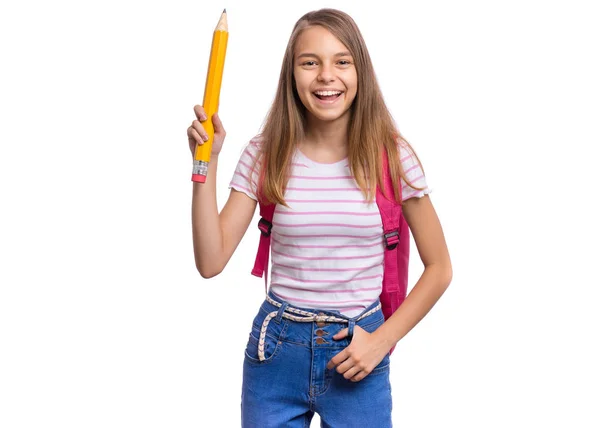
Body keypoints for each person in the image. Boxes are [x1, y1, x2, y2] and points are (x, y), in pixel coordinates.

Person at [187, 8, 452, 427]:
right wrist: (207, 163)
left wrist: (381, 342)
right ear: (291, 74)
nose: (326, 75)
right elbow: (210, 261)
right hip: (275, 351)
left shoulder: (393, 157)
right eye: (310, 62)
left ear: (360, 71)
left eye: (341, 61)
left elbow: (439, 268)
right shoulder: (264, 153)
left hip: (357, 351)